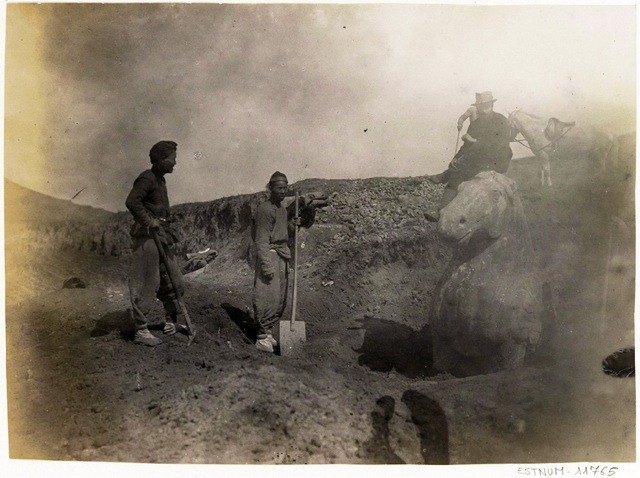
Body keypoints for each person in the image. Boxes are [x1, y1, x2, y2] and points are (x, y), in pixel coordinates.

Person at [125, 140, 186, 346]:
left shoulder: (160, 180)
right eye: (172, 159)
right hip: (148, 237)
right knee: (148, 283)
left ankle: (171, 322)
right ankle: (141, 330)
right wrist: (149, 221)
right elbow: (132, 201)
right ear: (160, 160)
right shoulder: (147, 178)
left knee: (174, 280)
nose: (174, 164)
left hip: (161, 236)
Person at [252, 171, 316, 353]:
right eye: (279, 188)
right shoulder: (265, 209)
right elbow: (261, 239)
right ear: (270, 188)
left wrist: (293, 224)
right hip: (270, 255)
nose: (282, 191)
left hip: (282, 254)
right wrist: (266, 263)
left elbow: (282, 232)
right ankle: (261, 337)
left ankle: (268, 331)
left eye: (285, 187)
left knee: (279, 298)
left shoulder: (281, 208)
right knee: (267, 295)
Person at [425, 91, 513, 222]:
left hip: (497, 158)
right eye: (481, 106)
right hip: (479, 158)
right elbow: (466, 146)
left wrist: (474, 141)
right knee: (460, 167)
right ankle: (441, 211)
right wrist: (456, 158)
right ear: (477, 107)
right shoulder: (475, 124)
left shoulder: (501, 120)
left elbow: (499, 144)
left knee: (460, 172)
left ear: (492, 105)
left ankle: (445, 178)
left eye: (487, 105)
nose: (484, 108)